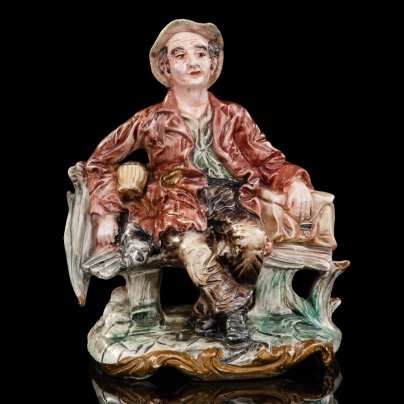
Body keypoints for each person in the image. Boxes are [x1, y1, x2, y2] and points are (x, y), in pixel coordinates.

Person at [86, 19, 313, 349]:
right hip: (178, 206)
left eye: (200, 53)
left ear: (213, 63)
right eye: (180, 55)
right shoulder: (149, 119)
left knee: (253, 240)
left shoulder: (234, 115)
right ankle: (235, 316)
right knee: (194, 249)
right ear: (166, 68)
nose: (192, 62)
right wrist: (107, 213)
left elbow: (269, 160)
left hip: (231, 201)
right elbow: (99, 162)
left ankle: (207, 309)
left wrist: (295, 182)